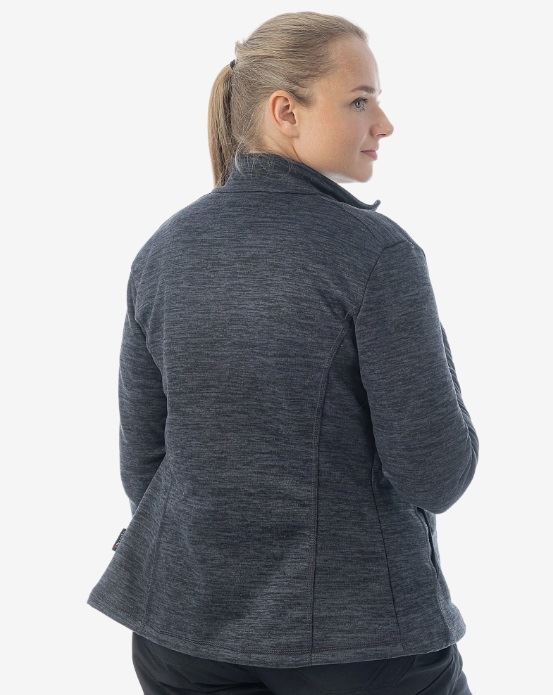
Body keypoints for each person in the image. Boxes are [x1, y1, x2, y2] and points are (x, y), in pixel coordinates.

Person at [87, 11, 478, 694]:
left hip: (181, 635)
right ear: (285, 112)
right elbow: (435, 472)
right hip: (357, 645)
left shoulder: (164, 250)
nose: (383, 123)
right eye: (359, 101)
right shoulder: (375, 254)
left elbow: (143, 464)